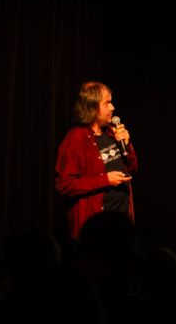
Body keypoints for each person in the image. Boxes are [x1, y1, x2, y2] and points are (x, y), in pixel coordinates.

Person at [55, 81, 138, 241]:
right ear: (92, 107)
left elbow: (132, 169)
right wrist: (104, 180)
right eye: (107, 103)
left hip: (122, 220)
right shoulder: (75, 139)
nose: (113, 107)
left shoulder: (112, 133)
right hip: (96, 230)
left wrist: (128, 145)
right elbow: (64, 185)